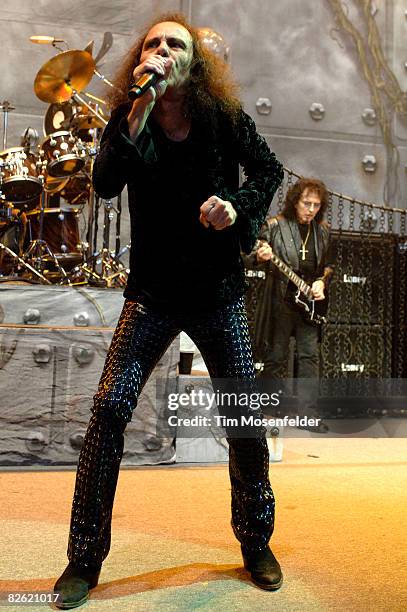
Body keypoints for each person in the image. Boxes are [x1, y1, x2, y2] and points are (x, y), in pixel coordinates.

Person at [53, 13, 284, 608]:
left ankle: (256, 541)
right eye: (151, 43)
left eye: (172, 43)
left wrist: (235, 208)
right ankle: (83, 559)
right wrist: (136, 111)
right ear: (141, 58)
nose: (159, 49)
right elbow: (104, 185)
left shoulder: (220, 116)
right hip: (151, 295)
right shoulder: (131, 116)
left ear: (193, 61)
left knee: (245, 419)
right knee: (108, 411)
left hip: (217, 293)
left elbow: (268, 170)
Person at [253, 178, 333, 432]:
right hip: (281, 300)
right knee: (276, 356)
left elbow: (328, 266)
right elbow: (248, 255)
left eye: (316, 205)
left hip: (308, 303)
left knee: (310, 357)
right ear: (295, 202)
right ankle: (266, 412)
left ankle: (307, 415)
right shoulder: (275, 226)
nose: (311, 209)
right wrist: (259, 255)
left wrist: (321, 282)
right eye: (306, 203)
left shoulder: (322, 231)